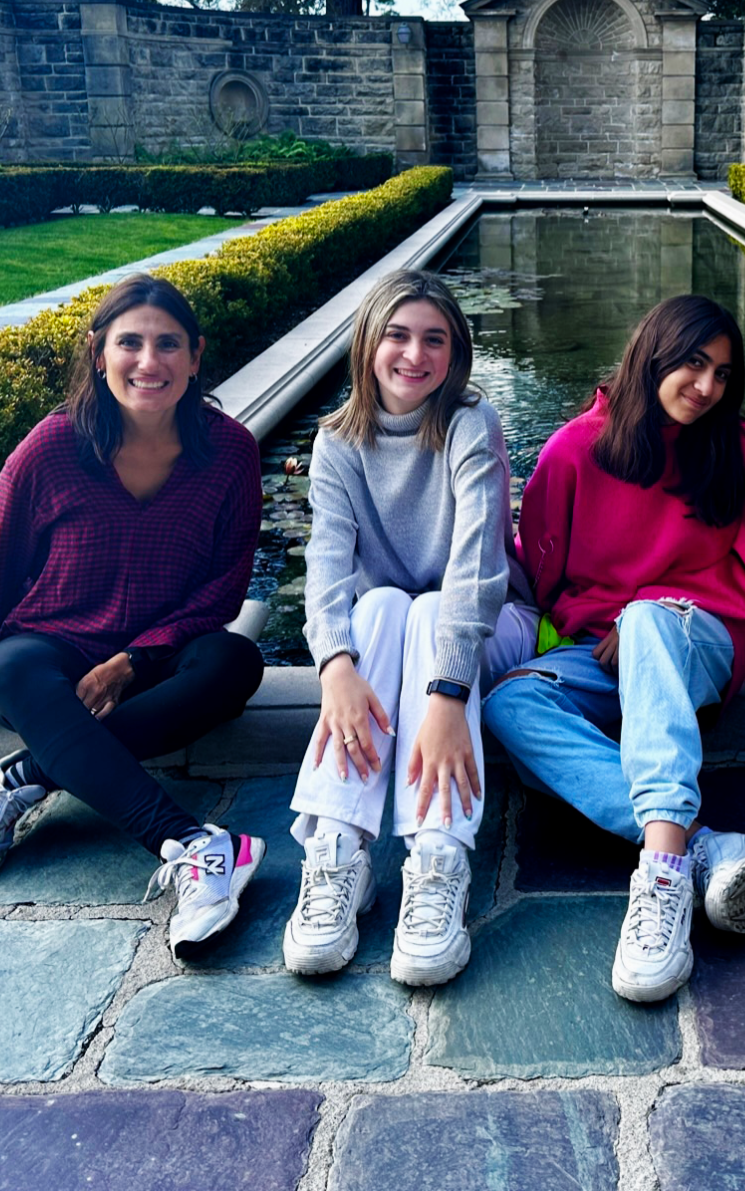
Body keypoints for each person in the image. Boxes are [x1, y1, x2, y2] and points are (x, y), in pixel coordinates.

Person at [0, 274, 267, 961]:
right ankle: (194, 844)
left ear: (196, 355)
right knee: (13, 668)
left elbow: (223, 591)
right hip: (55, 644)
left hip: (161, 659)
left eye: (168, 344)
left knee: (236, 662)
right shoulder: (51, 448)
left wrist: (135, 660)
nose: (150, 362)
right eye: (130, 343)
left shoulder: (231, 454)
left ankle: (28, 776)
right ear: (97, 353)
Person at [486, 294, 745, 1005]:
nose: (708, 387)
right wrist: (615, 619)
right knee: (511, 701)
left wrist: (653, 615)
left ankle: (658, 886)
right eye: (692, 364)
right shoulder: (572, 453)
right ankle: (699, 844)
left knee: (653, 616)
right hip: (604, 652)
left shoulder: (739, 453)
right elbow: (550, 584)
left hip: (703, 643)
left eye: (722, 373)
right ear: (652, 354)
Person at [282, 270, 532, 986]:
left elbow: (477, 572)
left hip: (486, 630)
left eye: (435, 339)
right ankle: (338, 849)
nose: (414, 355)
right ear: (368, 343)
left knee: (422, 608)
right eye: (397, 334)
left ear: (456, 354)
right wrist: (334, 669)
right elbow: (325, 569)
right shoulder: (335, 443)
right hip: (387, 638)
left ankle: (438, 858)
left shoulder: (469, 423)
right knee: (386, 606)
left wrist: (450, 697)